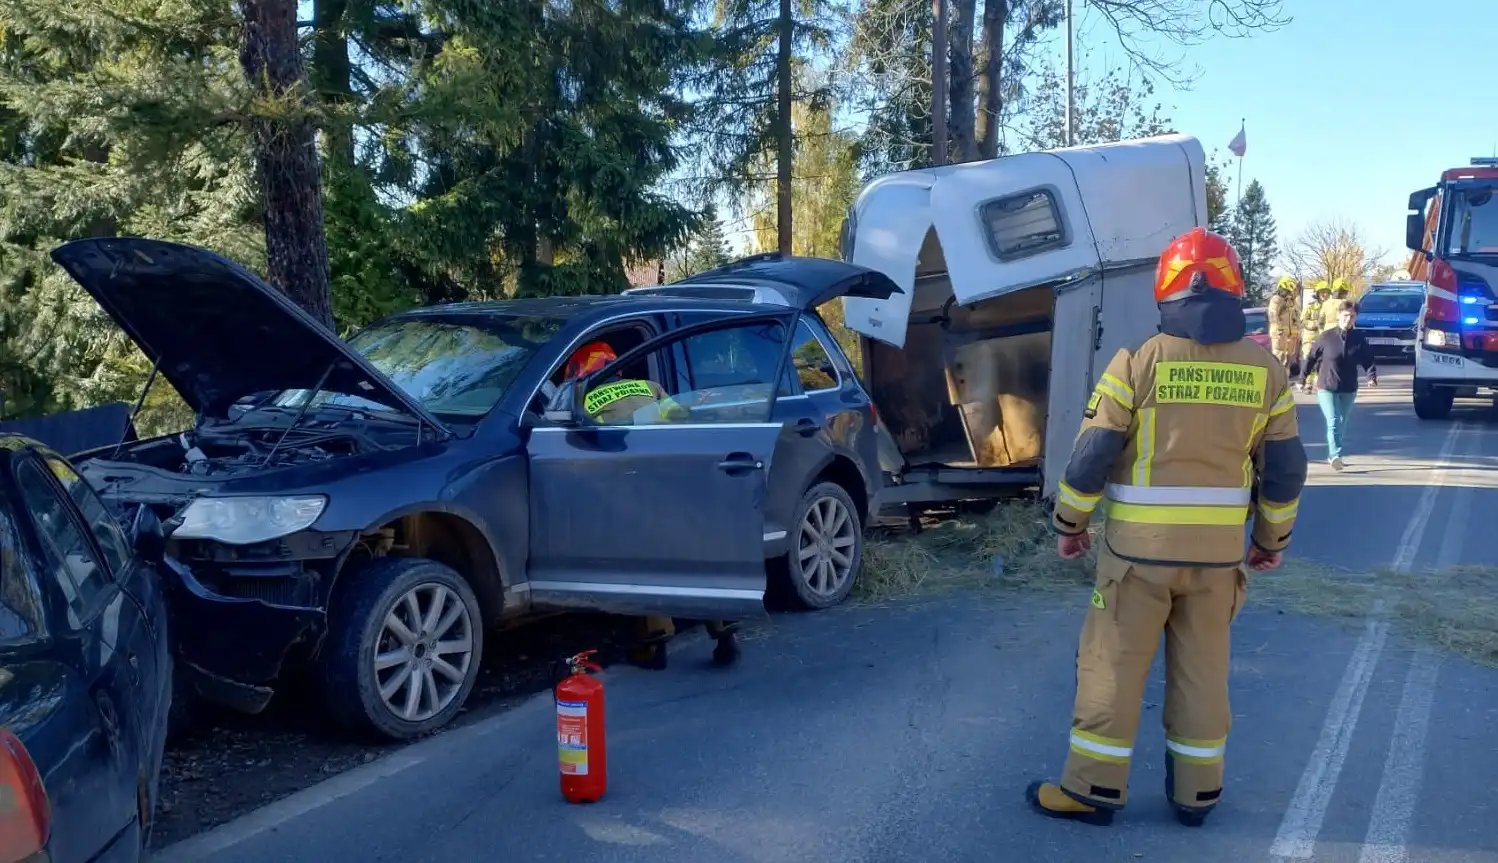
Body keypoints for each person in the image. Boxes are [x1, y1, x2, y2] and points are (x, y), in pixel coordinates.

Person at [1027, 226, 1308, 829]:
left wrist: (1070, 524)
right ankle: (1197, 795)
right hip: (1216, 563)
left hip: (1135, 558)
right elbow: (1284, 473)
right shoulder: (1266, 373)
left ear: (1167, 290)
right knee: (1203, 675)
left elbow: (1090, 457)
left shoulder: (1137, 363)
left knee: (1112, 669)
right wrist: (1269, 542)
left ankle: (1092, 789)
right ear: (1233, 289)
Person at [559, 342, 741, 670]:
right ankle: (724, 630)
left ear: (582, 371)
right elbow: (683, 419)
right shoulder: (649, 386)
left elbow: (577, 441)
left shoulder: (583, 398)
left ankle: (653, 642)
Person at [1301, 300, 1377, 471]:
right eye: (1345, 315)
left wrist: (1371, 376)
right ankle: (1336, 455)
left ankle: (1333, 452)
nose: (1348, 319)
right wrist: (1302, 378)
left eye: (1352, 316)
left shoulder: (1359, 339)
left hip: (1349, 388)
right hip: (1326, 386)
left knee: (1342, 421)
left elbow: (1368, 360)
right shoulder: (1326, 337)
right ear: (1338, 316)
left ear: (1355, 318)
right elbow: (1311, 358)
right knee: (1333, 420)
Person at [1300, 283, 1331, 392]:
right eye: (1322, 292)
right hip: (1310, 337)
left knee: (1321, 361)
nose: (1325, 294)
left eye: (1327, 292)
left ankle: (1318, 384)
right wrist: (1315, 324)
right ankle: (1307, 383)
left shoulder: (1331, 306)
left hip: (1324, 338)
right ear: (1317, 294)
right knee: (1308, 358)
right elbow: (1303, 321)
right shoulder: (1310, 306)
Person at [1267, 277, 1301, 369]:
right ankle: (1277, 381)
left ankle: (1286, 380)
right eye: (1294, 289)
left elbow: (1295, 318)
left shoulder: (1291, 302)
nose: (1296, 291)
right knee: (1279, 357)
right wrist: (1279, 330)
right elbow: (1273, 316)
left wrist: (1297, 330)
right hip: (1280, 335)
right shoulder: (1276, 299)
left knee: (1288, 361)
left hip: (1290, 336)